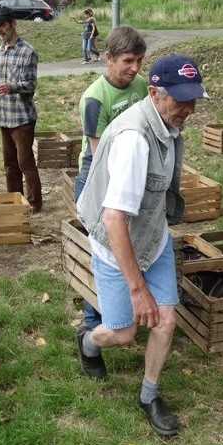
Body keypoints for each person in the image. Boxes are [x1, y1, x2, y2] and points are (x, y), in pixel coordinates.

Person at [76, 54, 208, 437]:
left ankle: (149, 394)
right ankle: (87, 340)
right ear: (153, 93)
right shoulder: (134, 139)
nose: (190, 109)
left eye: (194, 99)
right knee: (122, 332)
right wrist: (138, 290)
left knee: (166, 320)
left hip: (152, 236)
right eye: (181, 99)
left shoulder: (167, 121)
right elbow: (114, 219)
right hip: (115, 243)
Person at [74, 26, 149, 331]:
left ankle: (130, 310)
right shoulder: (94, 98)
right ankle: (92, 321)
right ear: (108, 58)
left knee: (134, 243)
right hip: (97, 177)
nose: (135, 68)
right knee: (102, 252)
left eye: (139, 61)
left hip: (132, 172)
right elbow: (100, 154)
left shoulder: (141, 86)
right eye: (128, 61)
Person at [0, 6, 42, 211]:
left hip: (22, 118)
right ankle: (14, 200)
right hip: (4, 116)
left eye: (2, 25)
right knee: (9, 164)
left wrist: (12, 87)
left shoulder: (27, 52)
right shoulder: (0, 50)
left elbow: (30, 85)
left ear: (13, 24)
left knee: (25, 163)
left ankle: (34, 203)